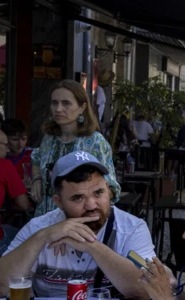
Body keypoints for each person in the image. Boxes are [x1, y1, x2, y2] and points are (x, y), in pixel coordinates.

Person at [0, 152, 155, 300]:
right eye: (77, 198)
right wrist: (41, 238)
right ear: (58, 202)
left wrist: (92, 246)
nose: (91, 205)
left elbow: (146, 290)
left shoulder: (132, 228)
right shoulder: (38, 228)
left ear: (108, 190)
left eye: (98, 193)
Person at [30, 80, 120, 217]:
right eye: (54, 103)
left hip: (78, 220)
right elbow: (36, 158)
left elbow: (111, 187)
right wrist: (37, 179)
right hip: (44, 217)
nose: (58, 109)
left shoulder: (94, 141)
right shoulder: (49, 138)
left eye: (66, 103)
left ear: (81, 108)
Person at [0, 126, 34, 255]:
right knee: (28, 237)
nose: (8, 149)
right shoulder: (3, 165)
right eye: (5, 145)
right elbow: (24, 204)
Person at [2, 118, 33, 186]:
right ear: (4, 138)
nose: (20, 144)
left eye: (24, 139)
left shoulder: (33, 155)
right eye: (15, 139)